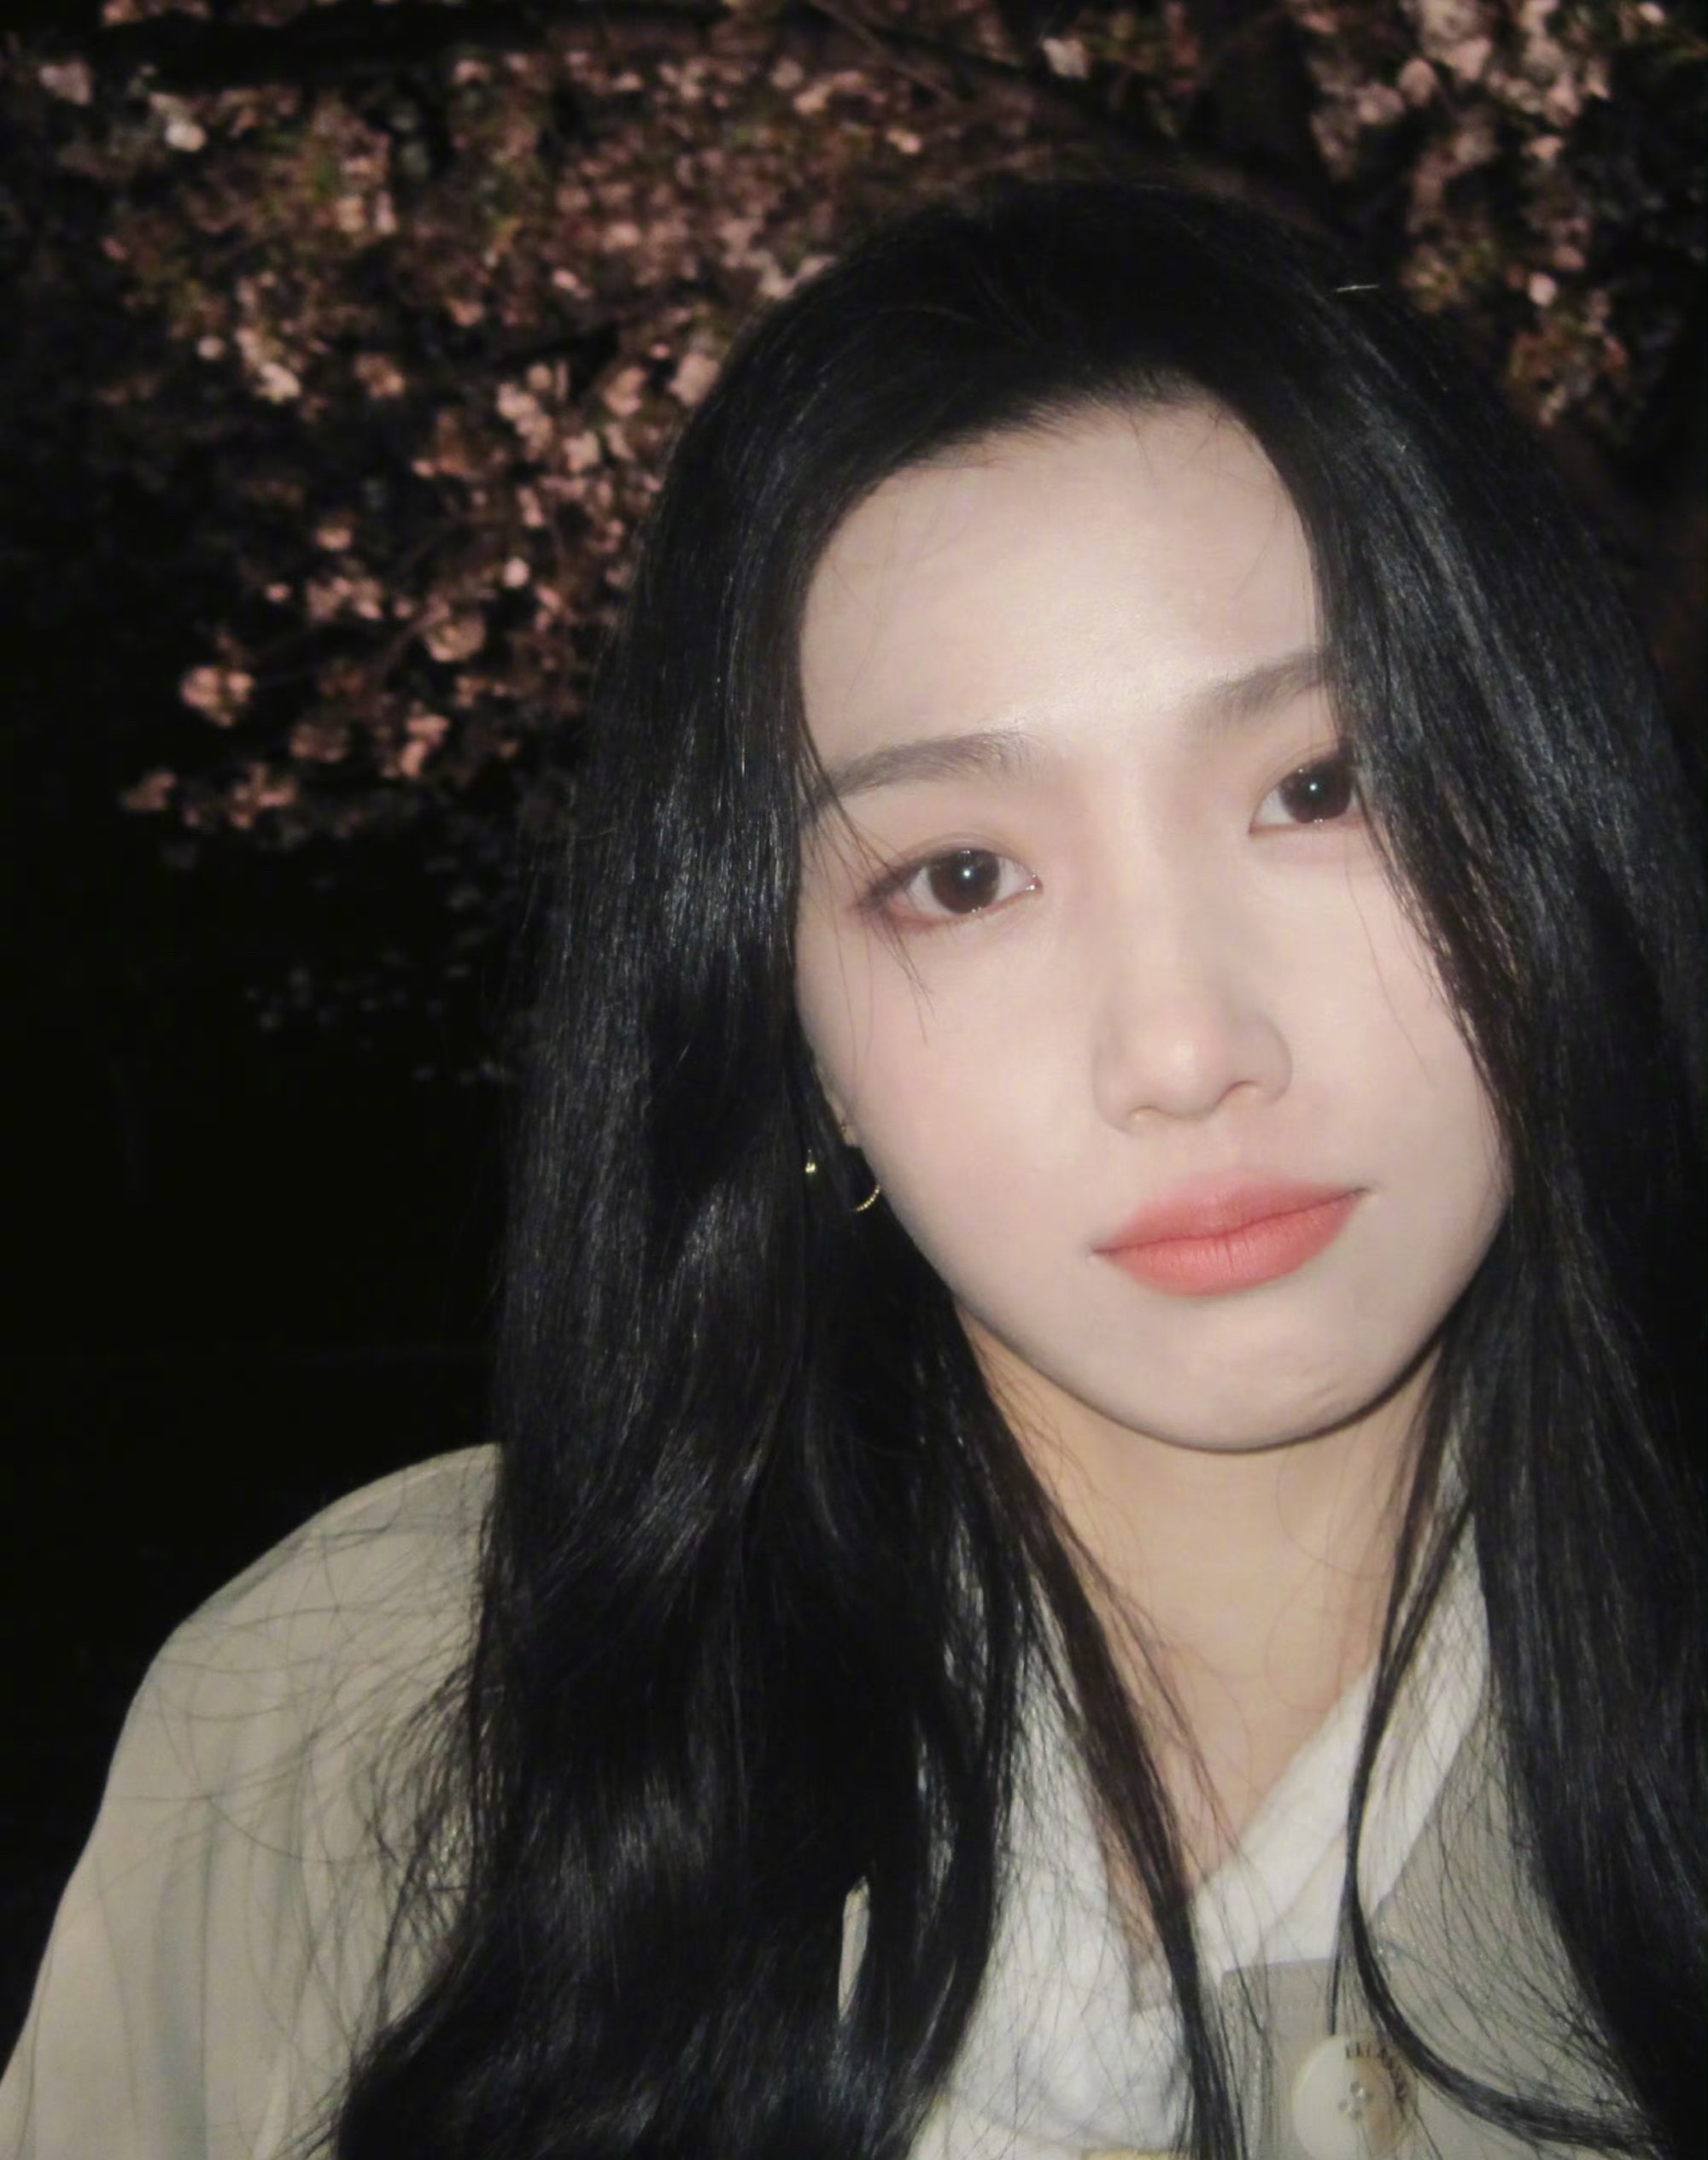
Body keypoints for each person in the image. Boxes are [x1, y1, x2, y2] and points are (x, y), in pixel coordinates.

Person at [2, 179, 1701, 2160]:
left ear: (1542, 803)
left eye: (1323, 787)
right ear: (784, 1015)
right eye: (960, 876)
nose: (1181, 1049)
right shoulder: (356, 1705)